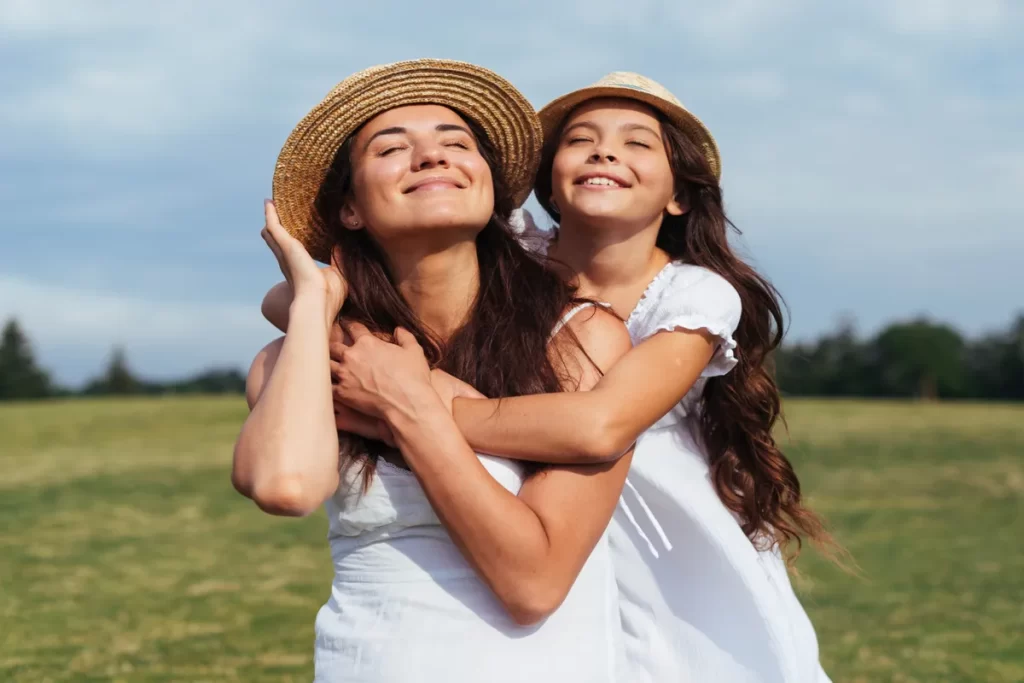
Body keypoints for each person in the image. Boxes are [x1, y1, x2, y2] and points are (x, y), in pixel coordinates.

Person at [286, 72, 837, 683]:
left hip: (664, 546)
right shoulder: (515, 256)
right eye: (581, 140)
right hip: (540, 510)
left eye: (637, 143)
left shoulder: (692, 295)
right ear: (547, 183)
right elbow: (295, 297)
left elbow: (598, 427)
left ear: (679, 196)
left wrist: (419, 403)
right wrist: (341, 333)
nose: (606, 152)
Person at [232, 60, 633, 683]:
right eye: (392, 149)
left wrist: (405, 405)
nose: (431, 158)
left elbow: (533, 585)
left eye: (456, 144)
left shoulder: (580, 341)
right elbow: (286, 486)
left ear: (491, 189)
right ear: (351, 210)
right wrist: (312, 303)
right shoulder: (303, 356)